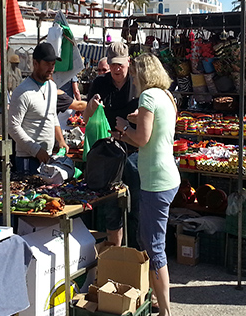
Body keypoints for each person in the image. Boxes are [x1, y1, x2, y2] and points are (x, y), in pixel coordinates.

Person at [114, 53, 179, 316]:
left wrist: (122, 128)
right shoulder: (166, 96)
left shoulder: (148, 96)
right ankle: (155, 299)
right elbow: (154, 134)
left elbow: (142, 139)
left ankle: (165, 310)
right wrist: (134, 121)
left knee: (154, 246)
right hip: (167, 176)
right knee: (148, 240)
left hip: (156, 181)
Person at [83, 42, 139, 246]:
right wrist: (91, 106)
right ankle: (115, 254)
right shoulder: (100, 83)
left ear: (128, 63)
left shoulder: (137, 83)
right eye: (113, 65)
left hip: (134, 148)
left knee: (137, 204)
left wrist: (138, 117)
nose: (116, 69)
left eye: (120, 65)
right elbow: (86, 117)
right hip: (108, 150)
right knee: (111, 207)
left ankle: (136, 253)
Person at [8, 43, 68, 174]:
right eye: (47, 64)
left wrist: (61, 141)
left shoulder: (52, 86)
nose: (51, 68)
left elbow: (52, 116)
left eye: (53, 64)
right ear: (35, 63)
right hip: (27, 159)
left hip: (47, 156)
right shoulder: (22, 92)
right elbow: (13, 127)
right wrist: (36, 150)